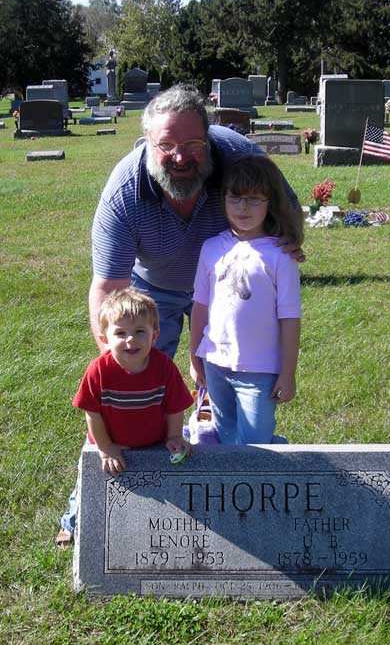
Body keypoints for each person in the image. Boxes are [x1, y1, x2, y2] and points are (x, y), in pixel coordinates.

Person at [89, 83, 303, 359]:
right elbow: (108, 288)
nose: (180, 157)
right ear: (147, 140)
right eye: (166, 145)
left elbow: (286, 203)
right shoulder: (124, 192)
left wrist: (287, 237)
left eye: (193, 144)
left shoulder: (239, 160)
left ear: (209, 138)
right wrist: (113, 362)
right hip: (154, 287)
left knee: (231, 366)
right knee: (141, 371)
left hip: (226, 281)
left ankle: (214, 400)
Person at [56, 287, 193, 548]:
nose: (131, 340)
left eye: (140, 331)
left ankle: (146, 523)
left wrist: (175, 436)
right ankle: (70, 523)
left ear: (155, 335)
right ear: (104, 337)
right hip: (109, 442)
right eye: (120, 333)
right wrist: (105, 448)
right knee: (86, 486)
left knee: (157, 488)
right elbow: (92, 413)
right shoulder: (99, 370)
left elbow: (175, 406)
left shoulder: (164, 367)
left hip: (153, 442)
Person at [189, 155, 303, 444]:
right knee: (226, 439)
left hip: (259, 370)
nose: (243, 207)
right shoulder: (212, 248)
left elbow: (289, 319)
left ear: (270, 203)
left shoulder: (281, 255)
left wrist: (288, 373)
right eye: (235, 198)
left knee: (256, 444)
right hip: (215, 363)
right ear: (223, 200)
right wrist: (194, 358)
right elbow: (200, 307)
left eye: (254, 199)